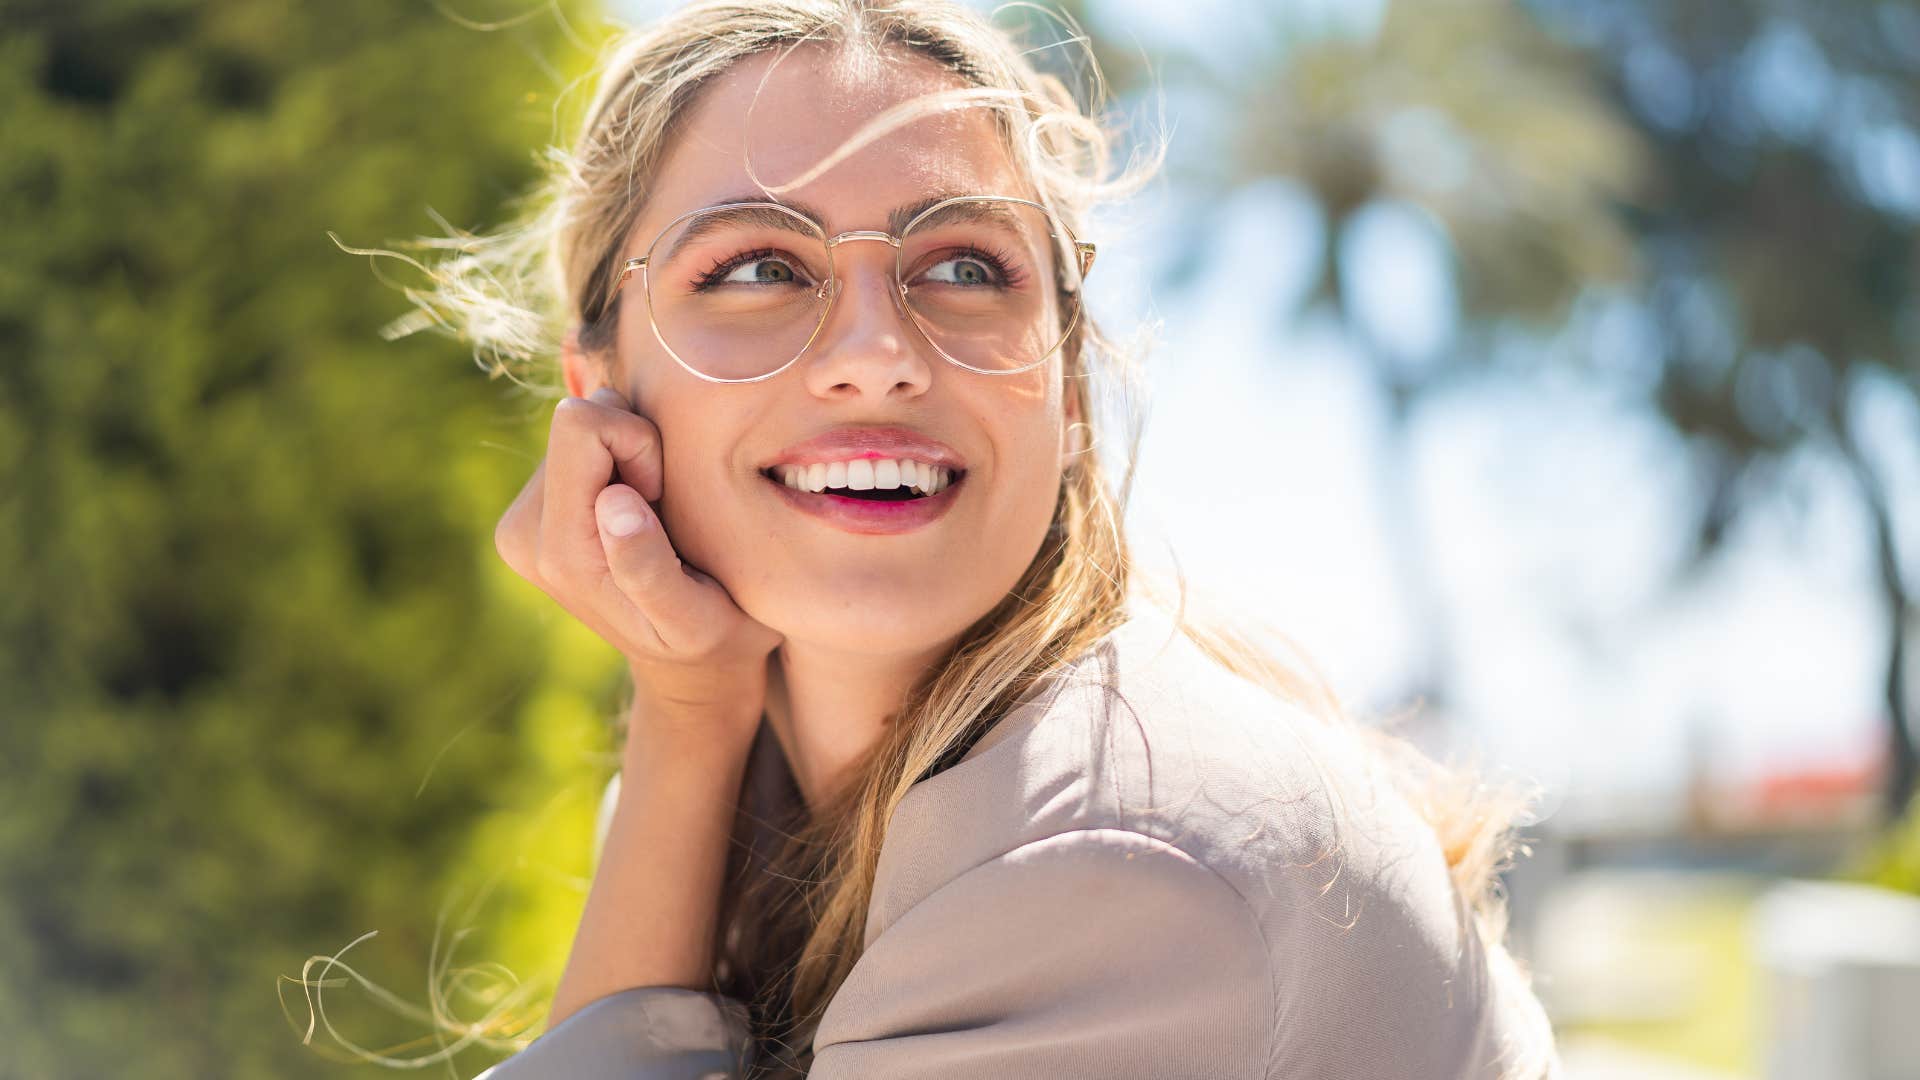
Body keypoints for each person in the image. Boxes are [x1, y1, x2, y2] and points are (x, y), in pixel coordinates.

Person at [381, 0, 1564, 1075]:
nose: (875, 354)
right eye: (756, 266)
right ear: (602, 400)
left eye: (961, 265)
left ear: (1067, 387)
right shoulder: (756, 790)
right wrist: (687, 718)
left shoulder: (1109, 861)